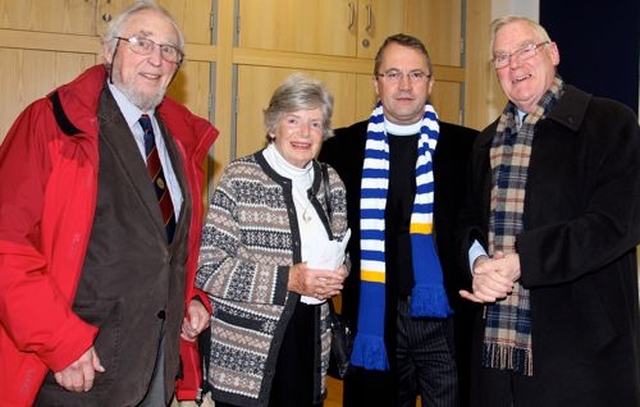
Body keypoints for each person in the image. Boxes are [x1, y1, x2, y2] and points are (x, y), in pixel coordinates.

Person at [0, 1, 219, 406]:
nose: (156, 58)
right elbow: (7, 247)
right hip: (74, 370)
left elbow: (169, 250)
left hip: (155, 366)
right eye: (142, 42)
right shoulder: (50, 124)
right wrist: (60, 342)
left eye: (169, 50)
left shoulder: (181, 141)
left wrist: (189, 297)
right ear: (108, 50)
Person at [458, 15, 640, 407]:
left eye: (525, 49)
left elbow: (615, 225)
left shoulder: (612, 123)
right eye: (501, 58)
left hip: (584, 350)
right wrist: (478, 264)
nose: (514, 65)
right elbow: (469, 220)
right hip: (496, 349)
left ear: (552, 53)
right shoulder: (486, 141)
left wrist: (524, 262)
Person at [319, 33, 478, 407]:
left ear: (431, 83)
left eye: (416, 75)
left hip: (445, 319)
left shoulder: (467, 147)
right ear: (376, 83)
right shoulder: (339, 148)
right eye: (392, 74)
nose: (405, 85)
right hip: (375, 319)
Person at [195, 73, 350, 407]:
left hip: (310, 340)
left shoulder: (332, 182)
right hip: (246, 351)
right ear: (272, 126)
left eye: (315, 124)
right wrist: (288, 280)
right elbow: (208, 269)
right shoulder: (239, 178)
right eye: (293, 121)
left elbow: (340, 249)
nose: (304, 134)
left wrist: (340, 271)